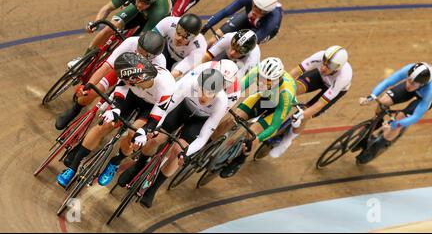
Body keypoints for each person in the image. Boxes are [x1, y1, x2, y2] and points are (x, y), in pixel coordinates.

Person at [116, 67, 236, 208]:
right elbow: (166, 109)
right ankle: (138, 166)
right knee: (156, 139)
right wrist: (155, 127)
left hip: (198, 121)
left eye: (210, 93)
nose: (204, 96)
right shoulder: (190, 84)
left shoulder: (221, 102)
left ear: (218, 92)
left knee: (178, 150)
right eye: (202, 90)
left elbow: (204, 136)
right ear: (199, 85)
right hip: (181, 110)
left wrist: (186, 153)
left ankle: (153, 188)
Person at [56, 52, 176, 187]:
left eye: (128, 80)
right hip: (131, 96)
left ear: (138, 78)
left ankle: (115, 162)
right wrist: (115, 109)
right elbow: (121, 88)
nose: (125, 80)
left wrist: (143, 132)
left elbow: (155, 119)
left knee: (134, 135)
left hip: (151, 106)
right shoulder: (129, 73)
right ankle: (73, 167)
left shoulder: (166, 86)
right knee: (104, 125)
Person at [55, 31, 167, 130]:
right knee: (90, 93)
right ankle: (75, 109)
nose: (139, 54)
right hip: (120, 71)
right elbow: (107, 67)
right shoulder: (131, 42)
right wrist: (88, 85)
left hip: (135, 86)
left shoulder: (160, 62)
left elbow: (147, 87)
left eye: (145, 54)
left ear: (153, 56)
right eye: (139, 49)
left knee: (110, 120)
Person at [217, 57, 297, 178]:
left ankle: (239, 160)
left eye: (268, 81)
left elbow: (274, 126)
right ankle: (207, 143)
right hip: (262, 98)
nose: (262, 82)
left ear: (278, 79)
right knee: (232, 119)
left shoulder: (286, 94)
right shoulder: (257, 71)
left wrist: (258, 139)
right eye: (261, 78)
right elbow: (238, 88)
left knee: (252, 135)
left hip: (275, 109)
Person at [67, 0, 171, 68]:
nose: (139, 4)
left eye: (144, 3)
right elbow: (107, 8)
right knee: (110, 28)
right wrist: (96, 22)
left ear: (152, 2)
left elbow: (141, 41)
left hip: (153, 20)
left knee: (135, 46)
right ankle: (83, 61)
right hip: (137, 12)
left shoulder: (159, 12)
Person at [269, 45, 353, 158]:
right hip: (319, 77)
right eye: (323, 63)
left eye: (329, 67)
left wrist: (302, 115)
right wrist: (279, 86)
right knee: (292, 88)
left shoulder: (343, 77)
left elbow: (321, 104)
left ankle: (286, 141)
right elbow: (295, 72)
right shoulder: (319, 57)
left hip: (333, 89)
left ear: (338, 68)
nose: (324, 68)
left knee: (305, 114)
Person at [356, 62, 432, 164]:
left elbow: (416, 116)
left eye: (413, 84)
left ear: (422, 84)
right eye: (408, 80)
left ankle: (377, 146)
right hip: (419, 85)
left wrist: (393, 124)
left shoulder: (431, 91)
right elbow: (387, 82)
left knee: (400, 118)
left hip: (426, 97)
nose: (408, 85)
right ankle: (377, 122)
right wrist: (371, 97)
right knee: (383, 101)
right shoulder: (409, 70)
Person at [200, 0, 282, 47]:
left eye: (260, 11)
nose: (255, 11)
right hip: (247, 18)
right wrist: (207, 26)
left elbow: (254, 40)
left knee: (236, 46)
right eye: (255, 6)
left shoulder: (273, 18)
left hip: (263, 28)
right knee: (212, 41)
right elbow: (225, 12)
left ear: (268, 11)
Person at [152, 13, 207, 78]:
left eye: (186, 36)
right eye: (178, 32)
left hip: (179, 62)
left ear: (193, 38)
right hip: (166, 50)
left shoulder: (200, 47)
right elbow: (150, 39)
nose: (179, 38)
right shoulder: (169, 22)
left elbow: (177, 72)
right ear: (177, 26)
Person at [192, 29, 260, 80]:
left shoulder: (252, 61)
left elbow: (237, 84)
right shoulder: (228, 37)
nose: (232, 52)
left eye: (237, 51)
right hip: (228, 54)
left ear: (246, 52)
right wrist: (193, 72)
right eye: (232, 47)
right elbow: (207, 56)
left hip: (241, 64)